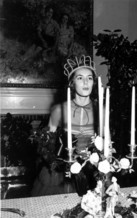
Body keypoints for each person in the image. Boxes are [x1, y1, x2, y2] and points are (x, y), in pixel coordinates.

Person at [31, 55, 99, 197]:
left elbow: (106, 143)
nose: (86, 82)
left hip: (93, 167)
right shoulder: (59, 110)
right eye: (80, 78)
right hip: (64, 170)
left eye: (90, 78)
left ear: (94, 82)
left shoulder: (101, 110)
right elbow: (46, 145)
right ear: (72, 83)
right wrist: (60, 163)